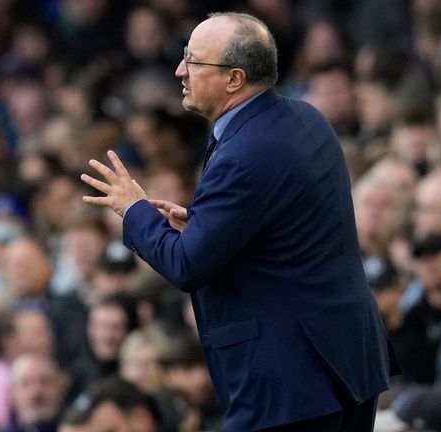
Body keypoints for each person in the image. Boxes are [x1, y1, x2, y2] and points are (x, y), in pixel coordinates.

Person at [81, 12, 397, 432]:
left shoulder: (243, 154)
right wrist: (204, 223)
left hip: (289, 384)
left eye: (193, 61)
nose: (180, 70)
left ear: (234, 79)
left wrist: (133, 208)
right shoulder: (307, 119)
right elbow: (288, 224)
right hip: (348, 362)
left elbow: (187, 266)